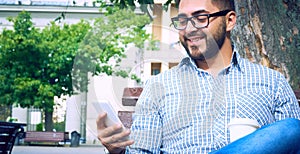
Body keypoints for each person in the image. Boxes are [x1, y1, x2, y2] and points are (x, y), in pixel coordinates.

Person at [96, 0, 300, 153]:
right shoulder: (158, 86)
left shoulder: (272, 83)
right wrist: (118, 150)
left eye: (201, 18)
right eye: (182, 20)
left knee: (292, 129)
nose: (189, 29)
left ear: (229, 21)